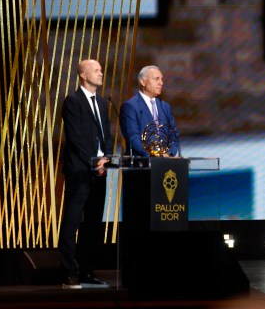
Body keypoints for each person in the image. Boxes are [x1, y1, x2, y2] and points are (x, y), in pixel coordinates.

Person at [58, 59, 113, 289]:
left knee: (93, 224)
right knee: (72, 222)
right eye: (97, 70)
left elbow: (107, 135)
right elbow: (76, 138)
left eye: (101, 70)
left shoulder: (101, 102)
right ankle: (69, 272)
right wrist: (94, 160)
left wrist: (106, 158)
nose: (101, 73)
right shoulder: (72, 101)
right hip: (81, 171)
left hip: (100, 172)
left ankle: (87, 271)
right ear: (83, 75)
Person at [120, 66, 180, 157]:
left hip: (166, 163)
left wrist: (169, 153)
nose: (161, 83)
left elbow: (174, 134)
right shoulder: (130, 106)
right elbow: (133, 138)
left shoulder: (165, 107)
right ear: (143, 82)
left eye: (161, 79)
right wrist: (154, 155)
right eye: (156, 79)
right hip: (142, 164)